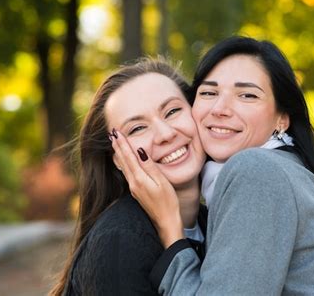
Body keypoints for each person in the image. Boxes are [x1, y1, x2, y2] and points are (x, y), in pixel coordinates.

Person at [111, 36, 314, 295]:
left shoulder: (257, 171)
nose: (220, 108)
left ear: (282, 119)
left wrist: (171, 229)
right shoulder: (283, 170)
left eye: (247, 95)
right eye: (209, 92)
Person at [50, 58, 207, 296]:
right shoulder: (119, 240)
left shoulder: (218, 221)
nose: (165, 134)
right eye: (137, 128)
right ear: (117, 158)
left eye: (173, 111)